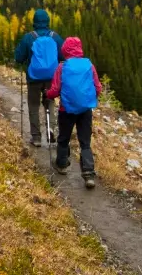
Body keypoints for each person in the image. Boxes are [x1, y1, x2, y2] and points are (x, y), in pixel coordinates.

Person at [45, 37, 101, 189]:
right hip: (85, 110)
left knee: (64, 138)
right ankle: (88, 174)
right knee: (85, 142)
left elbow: (55, 90)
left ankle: (62, 165)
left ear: (65, 50)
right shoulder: (89, 65)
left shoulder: (62, 67)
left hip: (66, 110)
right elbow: (98, 87)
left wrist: (47, 94)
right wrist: (88, 99)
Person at [14, 9, 64, 148]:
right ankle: (51, 129)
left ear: (34, 21)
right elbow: (63, 56)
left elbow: (19, 57)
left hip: (33, 78)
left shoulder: (29, 37)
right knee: (50, 102)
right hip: (51, 77)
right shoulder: (55, 37)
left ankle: (36, 137)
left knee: (34, 105)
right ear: (47, 21)